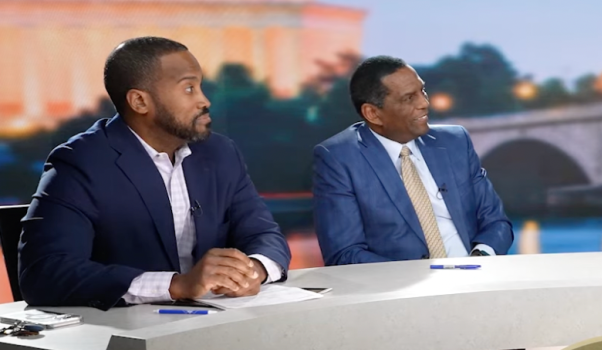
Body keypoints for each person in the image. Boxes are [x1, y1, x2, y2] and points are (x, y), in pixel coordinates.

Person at [18, 37, 290, 308]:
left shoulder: (220, 152)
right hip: (126, 337)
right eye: (188, 89)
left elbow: (265, 235)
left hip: (218, 326)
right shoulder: (81, 162)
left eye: (200, 86)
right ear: (139, 102)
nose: (204, 101)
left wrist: (253, 270)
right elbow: (45, 272)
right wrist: (177, 285)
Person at [313, 56, 513, 265]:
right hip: (403, 288)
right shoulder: (337, 158)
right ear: (373, 113)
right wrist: (425, 277)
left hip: (476, 275)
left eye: (422, 91)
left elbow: (496, 223)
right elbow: (345, 254)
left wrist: (479, 259)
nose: (424, 104)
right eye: (409, 98)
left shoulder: (456, 142)